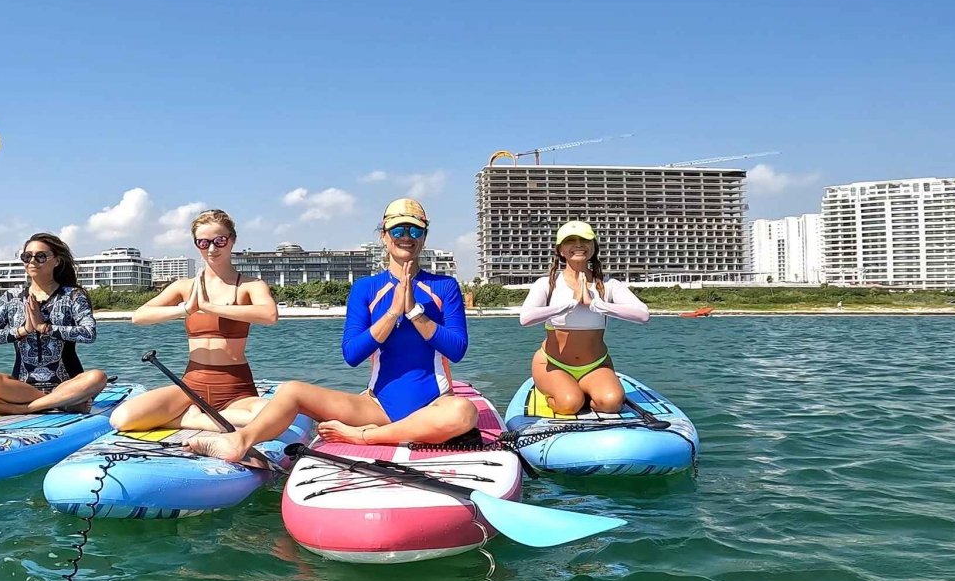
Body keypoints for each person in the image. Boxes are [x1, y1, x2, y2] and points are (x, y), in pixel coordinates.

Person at [187, 197, 476, 463]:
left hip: (432, 407)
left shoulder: (444, 287)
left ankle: (363, 436)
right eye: (398, 230)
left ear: (424, 237)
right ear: (384, 235)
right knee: (292, 391)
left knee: (463, 412)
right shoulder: (366, 288)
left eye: (415, 231)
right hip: (376, 407)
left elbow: (456, 349)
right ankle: (238, 441)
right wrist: (391, 313)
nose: (406, 237)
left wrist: (414, 312)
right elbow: (352, 354)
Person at [109, 209, 278, 431]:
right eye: (203, 242)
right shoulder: (185, 286)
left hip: (235, 388)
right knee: (121, 419)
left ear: (232, 241)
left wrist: (209, 307)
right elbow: (139, 316)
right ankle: (203, 419)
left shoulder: (250, 285)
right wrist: (185, 310)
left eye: (219, 240)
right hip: (192, 385)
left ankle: (192, 420)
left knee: (273, 416)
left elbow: (269, 315)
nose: (212, 248)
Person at [518, 220, 649, 415]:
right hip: (553, 365)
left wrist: (595, 304)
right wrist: (568, 304)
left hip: (595, 365)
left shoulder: (608, 284)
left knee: (611, 403)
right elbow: (526, 318)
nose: (578, 244)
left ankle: (586, 393)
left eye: (585, 240)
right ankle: (565, 393)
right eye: (571, 240)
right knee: (569, 404)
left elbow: (643, 314)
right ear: (560, 250)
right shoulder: (547, 283)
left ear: (593, 247)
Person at [0, 232, 108, 414]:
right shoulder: (10, 298)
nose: (32, 261)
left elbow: (89, 333)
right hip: (24, 388)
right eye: (26, 256)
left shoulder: (73, 296)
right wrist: (23, 330)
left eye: (41, 256)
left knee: (97, 377)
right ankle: (61, 403)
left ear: (57, 261)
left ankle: (27, 409)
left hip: (67, 384)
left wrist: (45, 328)